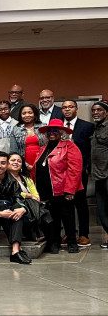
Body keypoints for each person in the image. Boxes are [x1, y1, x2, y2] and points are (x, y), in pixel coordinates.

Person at [35, 119, 82, 254]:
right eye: (49, 131)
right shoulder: (43, 147)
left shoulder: (69, 146)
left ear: (61, 132)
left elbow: (75, 170)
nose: (52, 133)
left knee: (68, 217)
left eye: (55, 130)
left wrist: (70, 190)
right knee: (52, 218)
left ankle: (72, 242)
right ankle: (54, 242)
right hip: (46, 190)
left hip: (63, 190)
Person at [61, 100, 94, 247]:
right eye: (64, 107)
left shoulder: (87, 126)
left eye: (70, 107)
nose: (67, 110)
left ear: (76, 108)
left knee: (80, 203)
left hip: (80, 171)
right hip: (62, 172)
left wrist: (87, 167)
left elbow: (91, 150)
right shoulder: (58, 126)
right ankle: (69, 233)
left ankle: (84, 234)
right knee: (65, 204)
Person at [90, 101, 108, 249]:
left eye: (99, 110)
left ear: (106, 112)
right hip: (98, 175)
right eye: (93, 110)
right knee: (102, 209)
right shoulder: (95, 129)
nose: (95, 112)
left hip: (107, 173)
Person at [18, 103, 45, 179]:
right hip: (24, 165)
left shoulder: (43, 127)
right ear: (20, 115)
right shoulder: (16, 129)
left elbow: (48, 147)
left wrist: (39, 164)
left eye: (30, 112)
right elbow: (14, 150)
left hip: (42, 163)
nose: (27, 115)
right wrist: (26, 165)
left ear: (35, 114)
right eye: (24, 113)